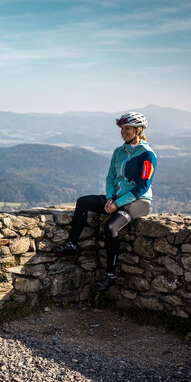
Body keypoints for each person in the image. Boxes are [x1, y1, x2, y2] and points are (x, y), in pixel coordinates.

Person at [54, 111, 157, 292]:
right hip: (116, 198)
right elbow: (110, 178)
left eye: (127, 128)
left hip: (139, 201)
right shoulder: (119, 152)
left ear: (139, 130)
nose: (123, 132)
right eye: (122, 128)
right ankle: (72, 243)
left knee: (110, 227)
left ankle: (110, 275)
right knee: (83, 201)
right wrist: (110, 198)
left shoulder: (148, 155)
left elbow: (142, 186)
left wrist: (118, 203)